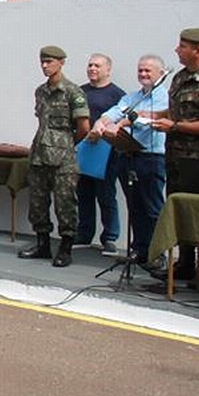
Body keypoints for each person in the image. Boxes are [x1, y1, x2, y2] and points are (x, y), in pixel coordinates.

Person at [152, 28, 199, 286]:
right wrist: (153, 117)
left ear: (198, 50)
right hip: (175, 158)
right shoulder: (180, 78)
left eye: (182, 46)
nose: (177, 50)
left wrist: (174, 126)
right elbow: (177, 111)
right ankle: (184, 263)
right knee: (179, 209)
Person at [93, 55, 168, 264]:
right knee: (135, 206)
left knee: (152, 207)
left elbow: (146, 120)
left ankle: (157, 253)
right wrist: (103, 121)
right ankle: (140, 249)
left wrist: (121, 123)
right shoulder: (133, 97)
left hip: (151, 158)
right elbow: (116, 110)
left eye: (148, 71)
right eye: (140, 70)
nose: (143, 74)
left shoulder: (163, 98)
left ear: (160, 75)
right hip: (129, 156)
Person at [19, 46, 90, 267]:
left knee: (65, 204)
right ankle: (43, 244)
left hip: (63, 160)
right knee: (38, 203)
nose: (45, 66)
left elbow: (83, 128)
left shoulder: (73, 92)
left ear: (61, 62)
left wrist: (66, 146)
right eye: (42, 62)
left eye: (49, 61)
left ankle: (66, 247)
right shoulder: (41, 91)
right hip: (39, 155)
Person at [76, 53, 126, 253]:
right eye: (89, 65)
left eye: (97, 65)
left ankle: (110, 237)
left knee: (106, 194)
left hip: (108, 153)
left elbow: (120, 120)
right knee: (83, 193)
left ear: (108, 69)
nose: (92, 69)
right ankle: (84, 233)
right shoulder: (80, 91)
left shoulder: (117, 95)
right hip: (83, 148)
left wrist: (102, 132)